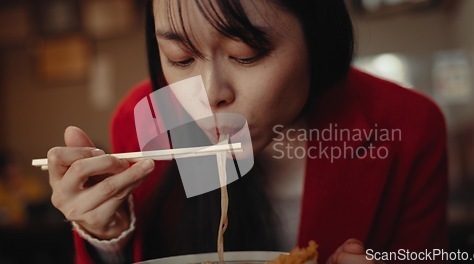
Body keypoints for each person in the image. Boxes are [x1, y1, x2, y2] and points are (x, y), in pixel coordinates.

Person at [47, 0, 448, 263]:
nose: (209, 94)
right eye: (181, 58)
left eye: (246, 55)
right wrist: (107, 235)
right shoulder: (150, 120)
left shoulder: (407, 127)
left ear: (317, 37)